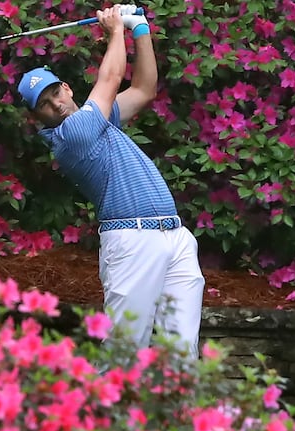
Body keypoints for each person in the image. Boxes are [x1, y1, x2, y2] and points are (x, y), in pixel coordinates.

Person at [16, 5, 205, 359]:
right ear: (36, 117)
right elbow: (111, 78)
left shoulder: (101, 118)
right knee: (124, 352)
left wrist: (140, 29)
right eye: (44, 104)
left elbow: (144, 89)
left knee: (182, 353)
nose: (56, 104)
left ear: (67, 88)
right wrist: (116, 29)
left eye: (55, 93)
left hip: (175, 235)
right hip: (132, 240)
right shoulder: (72, 136)